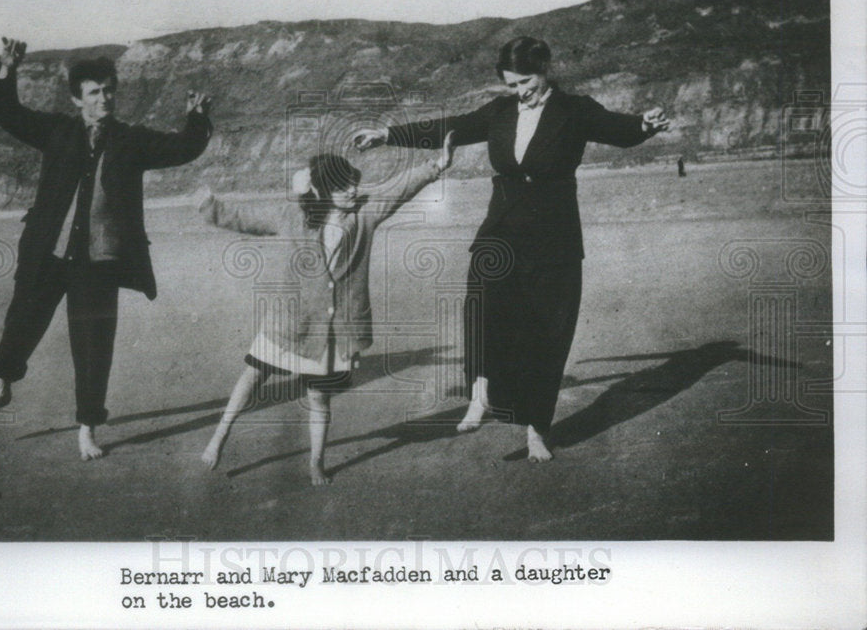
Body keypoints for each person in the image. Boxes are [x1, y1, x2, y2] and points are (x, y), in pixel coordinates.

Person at [355, 36, 670, 462]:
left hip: (554, 239)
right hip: (500, 231)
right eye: (512, 84)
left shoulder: (574, 110)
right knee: (482, 309)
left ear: (545, 70)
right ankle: (480, 394)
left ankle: (537, 429)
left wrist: (645, 125)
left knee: (548, 333)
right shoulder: (500, 112)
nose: (520, 92)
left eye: (526, 81)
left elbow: (619, 129)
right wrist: (387, 135)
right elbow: (452, 125)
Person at [0, 37, 214, 461]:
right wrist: (7, 70)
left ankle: (87, 428)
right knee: (20, 326)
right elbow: (8, 113)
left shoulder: (131, 140)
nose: (105, 99)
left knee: (93, 346)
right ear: (77, 99)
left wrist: (197, 118)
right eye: (95, 92)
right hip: (48, 255)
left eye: (109, 90)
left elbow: (182, 148)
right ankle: (1, 388)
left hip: (98, 263)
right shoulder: (56, 131)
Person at [199, 133, 456, 485]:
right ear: (321, 192)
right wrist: (209, 206)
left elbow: (398, 189)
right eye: (341, 187)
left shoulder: (364, 215)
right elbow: (244, 216)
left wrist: (436, 165)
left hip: (334, 332)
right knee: (252, 376)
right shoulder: (292, 215)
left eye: (352, 182)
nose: (352, 190)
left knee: (319, 398)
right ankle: (219, 437)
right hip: (290, 323)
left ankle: (315, 463)